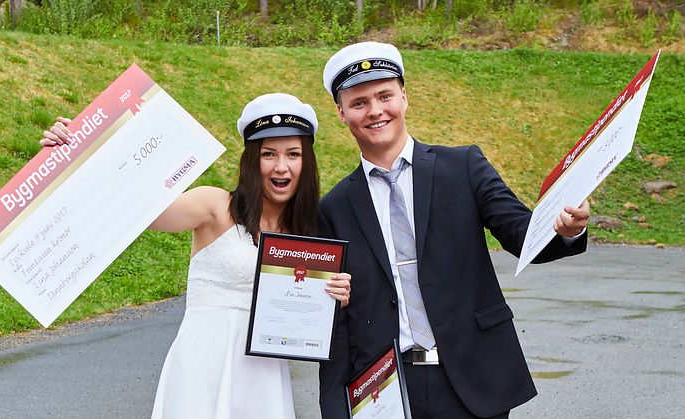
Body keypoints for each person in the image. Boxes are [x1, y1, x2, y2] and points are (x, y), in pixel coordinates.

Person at [317, 42, 590, 419]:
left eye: (385, 95)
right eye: (360, 102)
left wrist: (566, 229)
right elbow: (337, 317)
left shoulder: (463, 166)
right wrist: (335, 404)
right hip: (385, 389)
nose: (376, 110)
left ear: (404, 98)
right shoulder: (333, 207)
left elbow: (522, 235)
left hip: (472, 378)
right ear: (342, 112)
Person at [40, 93, 352, 419]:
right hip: (204, 367)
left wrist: (335, 295)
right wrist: (74, 153)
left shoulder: (308, 233)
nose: (281, 166)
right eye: (268, 154)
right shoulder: (215, 206)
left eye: (293, 154)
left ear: (307, 162)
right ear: (251, 160)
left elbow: (308, 323)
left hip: (265, 377)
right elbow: (138, 210)